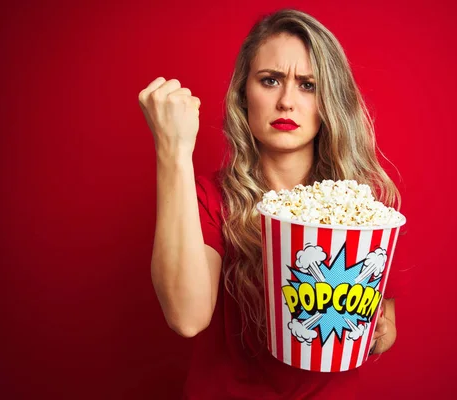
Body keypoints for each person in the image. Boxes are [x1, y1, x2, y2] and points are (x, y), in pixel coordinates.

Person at [138, 8, 403, 399]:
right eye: (270, 80)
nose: (286, 101)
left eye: (308, 85)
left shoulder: (363, 204)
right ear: (245, 93)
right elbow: (186, 317)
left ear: (330, 99)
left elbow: (386, 326)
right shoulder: (213, 198)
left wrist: (379, 333)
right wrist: (173, 150)